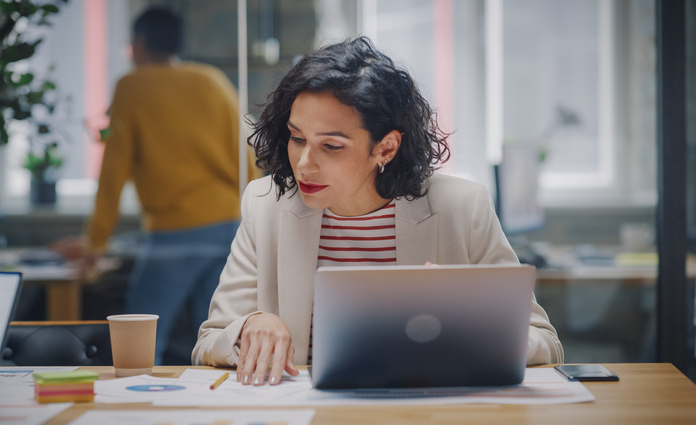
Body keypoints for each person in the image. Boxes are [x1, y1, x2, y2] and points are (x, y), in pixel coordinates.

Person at [191, 37, 564, 385]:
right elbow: (209, 341)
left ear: (385, 149)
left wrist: (471, 321)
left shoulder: (462, 208)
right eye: (298, 137)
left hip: (425, 411)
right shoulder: (265, 204)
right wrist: (250, 325)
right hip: (305, 417)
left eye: (331, 147)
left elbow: (545, 342)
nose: (304, 163)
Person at [70, 6, 251, 365]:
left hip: (174, 233)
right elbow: (247, 153)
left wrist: (96, 240)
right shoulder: (211, 80)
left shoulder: (132, 86)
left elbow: (113, 169)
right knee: (220, 338)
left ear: (138, 44)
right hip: (228, 224)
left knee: (138, 343)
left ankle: (134, 414)